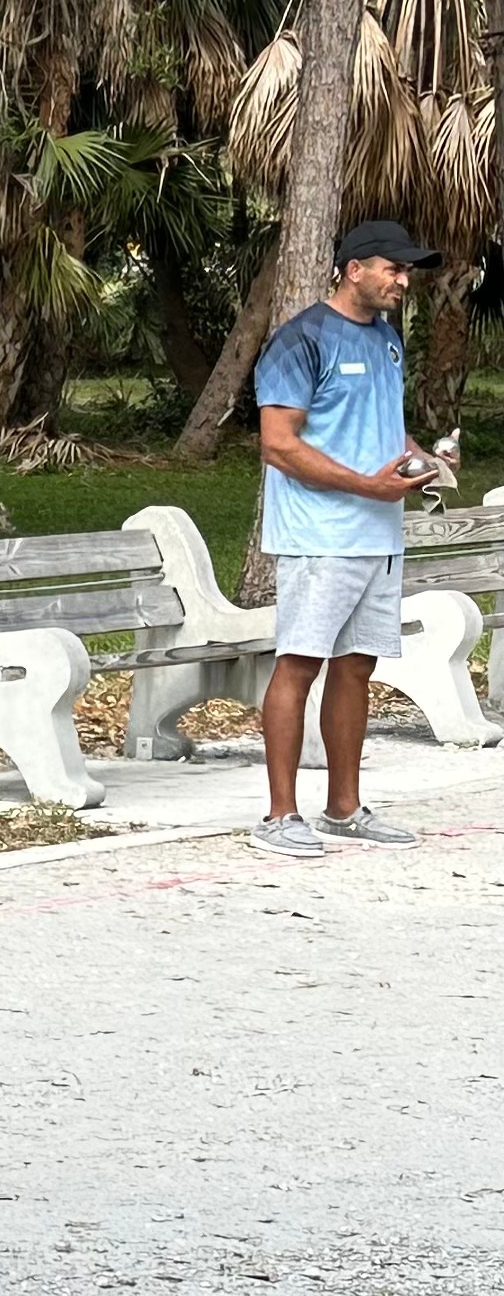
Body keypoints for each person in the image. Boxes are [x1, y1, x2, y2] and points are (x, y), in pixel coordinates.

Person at [249, 218, 444, 860]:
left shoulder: (388, 338)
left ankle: (344, 809)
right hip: (320, 536)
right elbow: (278, 445)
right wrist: (367, 486)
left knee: (357, 666)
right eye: (394, 268)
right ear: (354, 269)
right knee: (299, 663)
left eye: (407, 271)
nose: (403, 281)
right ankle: (279, 817)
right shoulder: (299, 339)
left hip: (378, 535)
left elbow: (384, 427)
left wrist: (420, 459)